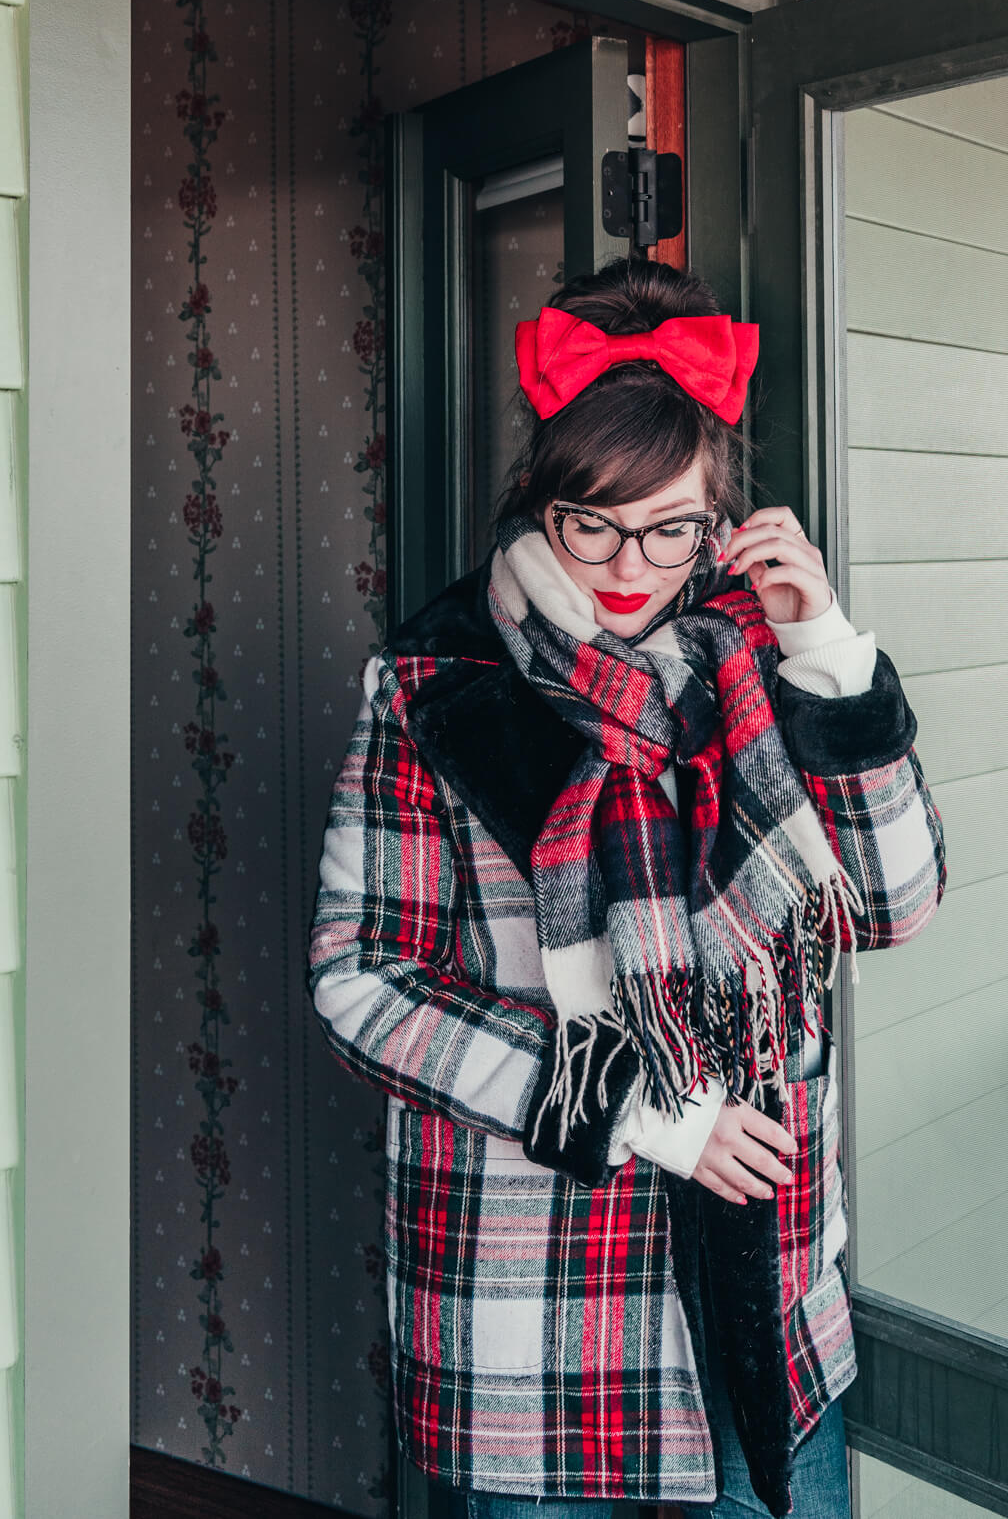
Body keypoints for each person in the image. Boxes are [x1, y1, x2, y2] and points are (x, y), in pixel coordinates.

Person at [308, 259, 945, 1519]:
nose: (624, 565)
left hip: (755, 1324)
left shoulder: (766, 660)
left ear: (720, 515)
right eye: (588, 521)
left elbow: (890, 904)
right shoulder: (441, 682)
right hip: (530, 1341)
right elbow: (360, 985)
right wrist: (644, 1112)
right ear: (539, 498)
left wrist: (826, 651)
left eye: (667, 527)